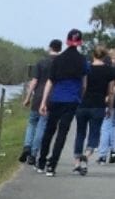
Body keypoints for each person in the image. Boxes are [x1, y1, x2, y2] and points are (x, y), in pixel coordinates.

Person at [37, 28, 88, 176]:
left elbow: (50, 82)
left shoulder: (58, 59)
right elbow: (84, 84)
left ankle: (41, 163)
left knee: (49, 130)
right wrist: (80, 97)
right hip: (72, 101)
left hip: (56, 98)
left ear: (67, 41)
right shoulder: (82, 60)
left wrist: (43, 102)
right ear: (79, 42)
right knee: (62, 133)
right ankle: (52, 166)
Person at [73, 44, 115, 176]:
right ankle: (86, 156)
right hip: (98, 105)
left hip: (83, 105)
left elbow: (83, 87)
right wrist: (110, 107)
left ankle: (76, 163)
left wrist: (79, 100)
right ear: (105, 56)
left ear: (93, 55)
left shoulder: (86, 69)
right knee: (94, 134)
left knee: (80, 133)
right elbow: (111, 92)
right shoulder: (110, 71)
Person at [21, 40, 60, 166]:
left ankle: (27, 146)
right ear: (60, 49)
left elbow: (34, 81)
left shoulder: (41, 62)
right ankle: (33, 153)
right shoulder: (60, 63)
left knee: (32, 123)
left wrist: (27, 97)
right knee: (42, 126)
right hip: (51, 97)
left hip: (37, 97)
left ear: (50, 48)